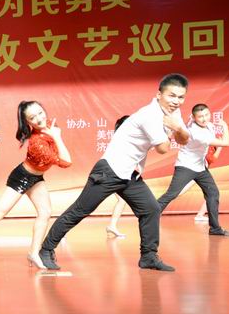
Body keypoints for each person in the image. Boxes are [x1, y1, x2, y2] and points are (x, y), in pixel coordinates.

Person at [38, 73, 191, 272]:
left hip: (129, 173)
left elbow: (183, 139)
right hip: (110, 170)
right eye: (172, 96)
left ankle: (148, 257)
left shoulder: (174, 114)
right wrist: (177, 129)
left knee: (151, 209)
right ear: (159, 94)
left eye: (181, 97)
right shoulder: (149, 115)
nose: (176, 101)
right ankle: (45, 250)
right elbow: (163, 148)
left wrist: (178, 127)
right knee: (80, 210)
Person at [0, 102, 71, 271]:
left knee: (45, 212)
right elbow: (66, 162)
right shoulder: (36, 142)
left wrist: (54, 134)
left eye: (40, 113)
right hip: (21, 177)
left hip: (36, 177)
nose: (39, 118)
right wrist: (57, 137)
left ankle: (34, 253)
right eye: (33, 117)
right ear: (28, 122)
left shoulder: (50, 126)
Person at [157, 104, 229, 236]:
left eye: (206, 115)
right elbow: (226, 143)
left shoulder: (208, 125)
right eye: (200, 117)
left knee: (213, 193)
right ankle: (149, 214)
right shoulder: (196, 132)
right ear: (194, 117)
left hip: (200, 168)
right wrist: (225, 126)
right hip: (186, 166)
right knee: (172, 194)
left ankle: (215, 228)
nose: (204, 119)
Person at [106, 116, 130, 238]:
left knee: (122, 200)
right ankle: (62, 230)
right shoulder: (121, 139)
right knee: (86, 206)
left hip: (117, 174)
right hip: (110, 174)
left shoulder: (125, 139)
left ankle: (112, 226)